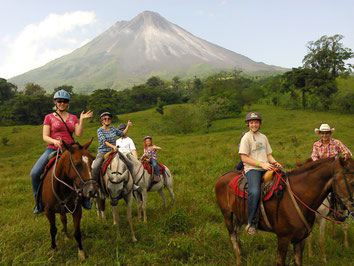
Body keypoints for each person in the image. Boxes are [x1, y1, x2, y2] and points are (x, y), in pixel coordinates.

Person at [30, 89, 93, 214]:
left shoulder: (72, 117)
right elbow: (45, 136)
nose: (62, 103)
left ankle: (86, 198)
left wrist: (81, 119)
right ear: (55, 102)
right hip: (53, 148)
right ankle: (38, 202)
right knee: (34, 173)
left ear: (68, 103)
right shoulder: (48, 117)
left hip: (71, 149)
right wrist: (54, 141)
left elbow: (79, 134)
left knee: (87, 167)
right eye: (59, 101)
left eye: (64, 101)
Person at [238, 111, 282, 235]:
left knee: (283, 182)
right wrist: (261, 164)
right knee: (255, 191)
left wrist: (275, 162)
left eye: (256, 122)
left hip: (267, 166)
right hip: (253, 169)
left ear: (259, 123)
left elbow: (268, 154)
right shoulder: (246, 138)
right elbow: (244, 158)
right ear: (248, 124)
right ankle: (251, 222)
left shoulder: (263, 137)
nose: (254, 125)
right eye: (252, 122)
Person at [92, 112, 132, 181]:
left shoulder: (112, 128)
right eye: (105, 119)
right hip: (103, 152)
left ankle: (131, 183)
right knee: (95, 167)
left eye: (108, 118)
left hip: (114, 151)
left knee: (130, 164)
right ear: (102, 120)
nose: (107, 120)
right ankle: (95, 184)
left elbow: (122, 133)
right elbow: (104, 141)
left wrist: (127, 126)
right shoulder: (99, 130)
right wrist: (113, 146)